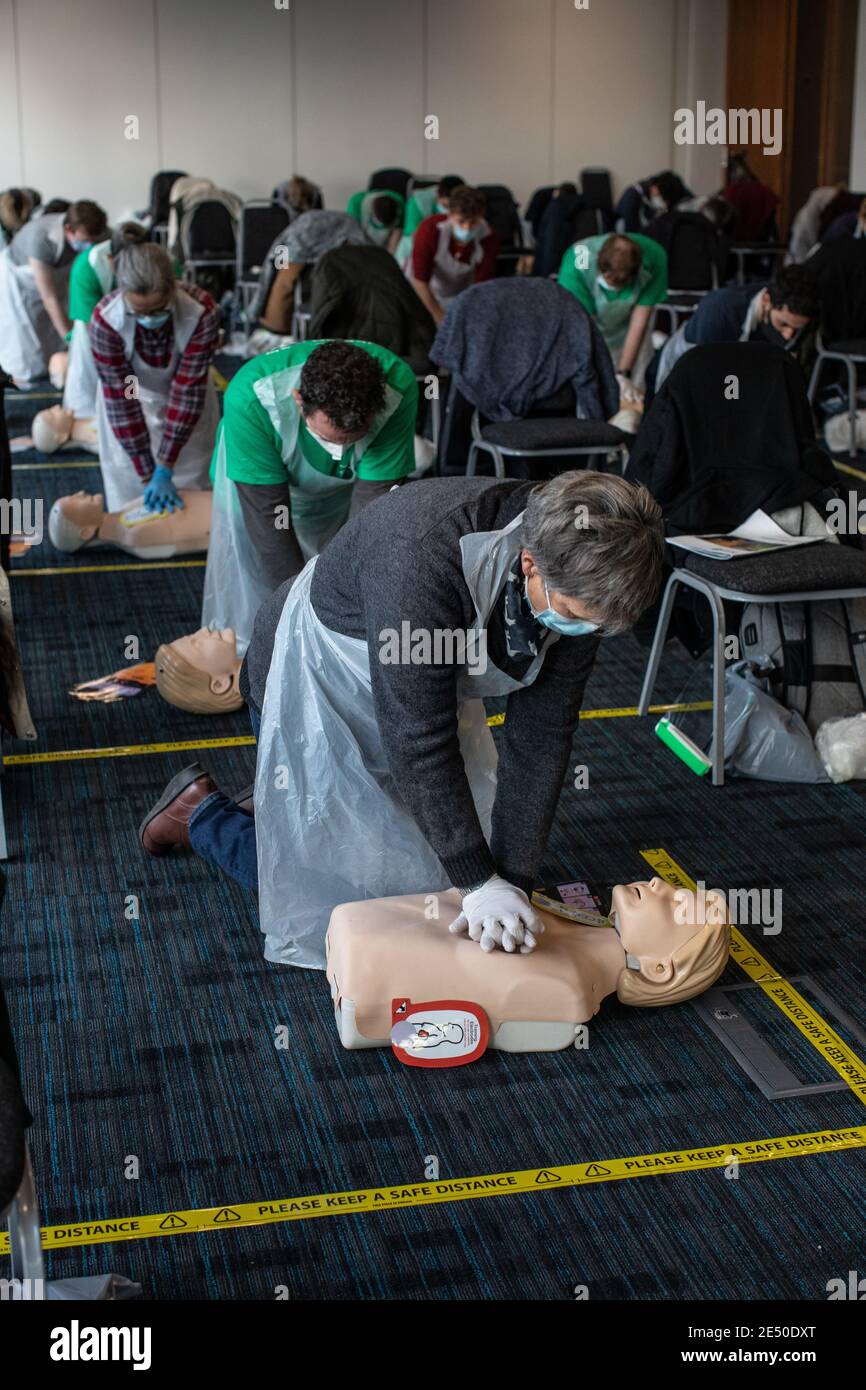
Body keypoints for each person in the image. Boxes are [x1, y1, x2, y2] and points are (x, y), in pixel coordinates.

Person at [141, 470, 665, 969]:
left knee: (438, 880)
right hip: (314, 672)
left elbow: (543, 739)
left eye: (599, 627)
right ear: (530, 563)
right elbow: (420, 740)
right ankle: (201, 816)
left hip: (421, 681)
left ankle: (277, 802)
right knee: (341, 895)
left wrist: (514, 882)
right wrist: (481, 886)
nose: (581, 631)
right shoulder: (420, 557)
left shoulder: (585, 576)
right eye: (573, 616)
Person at [201, 338, 418, 652]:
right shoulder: (251, 399)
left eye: (351, 439)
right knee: (257, 570)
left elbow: (372, 513)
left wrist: (350, 608)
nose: (340, 448)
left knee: (343, 557)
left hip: (339, 487)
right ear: (299, 400)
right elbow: (270, 522)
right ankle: (263, 645)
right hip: (259, 470)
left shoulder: (398, 388)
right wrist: (299, 614)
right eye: (330, 436)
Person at [90, 242, 220, 513]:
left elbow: (187, 389)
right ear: (123, 292)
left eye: (159, 309)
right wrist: (149, 473)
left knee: (193, 487)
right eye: (140, 312)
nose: (150, 318)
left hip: (188, 402)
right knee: (131, 493)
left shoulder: (201, 311)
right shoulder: (106, 320)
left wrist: (166, 466)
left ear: (173, 288)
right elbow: (122, 399)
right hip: (131, 396)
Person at [653, 262, 820, 394]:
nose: (789, 334)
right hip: (684, 372)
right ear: (767, 301)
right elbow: (710, 380)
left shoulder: (799, 311)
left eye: (797, 329)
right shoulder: (721, 311)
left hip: (737, 375)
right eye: (783, 324)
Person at [0, 199, 107, 387]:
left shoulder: (96, 231)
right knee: (26, 341)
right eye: (84, 240)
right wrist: (71, 340)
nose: (89, 244)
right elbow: (49, 298)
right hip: (19, 282)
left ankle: (55, 370)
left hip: (54, 277)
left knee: (56, 331)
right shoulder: (41, 239)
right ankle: (27, 389)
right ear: (68, 230)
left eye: (93, 240)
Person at [557, 231, 668, 381]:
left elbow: (639, 321)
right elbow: (583, 327)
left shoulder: (655, 256)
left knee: (636, 388)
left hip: (632, 335)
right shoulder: (579, 259)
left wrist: (623, 374)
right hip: (590, 331)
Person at [250, 209, 369, 335]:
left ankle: (276, 328)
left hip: (296, 247)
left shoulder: (293, 236)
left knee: (283, 281)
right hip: (299, 247)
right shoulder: (296, 238)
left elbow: (275, 262)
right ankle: (278, 328)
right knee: (285, 280)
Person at [410, 184, 500, 326]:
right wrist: (440, 318)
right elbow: (421, 282)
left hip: (463, 295)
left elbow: (481, 285)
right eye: (461, 221)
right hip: (428, 294)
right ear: (450, 214)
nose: (467, 228)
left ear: (481, 216)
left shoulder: (488, 238)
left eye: (473, 222)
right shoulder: (430, 230)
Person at [345, 189, 405, 254]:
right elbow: (352, 239)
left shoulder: (398, 201)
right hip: (361, 242)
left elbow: (396, 234)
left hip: (384, 247)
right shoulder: (355, 204)